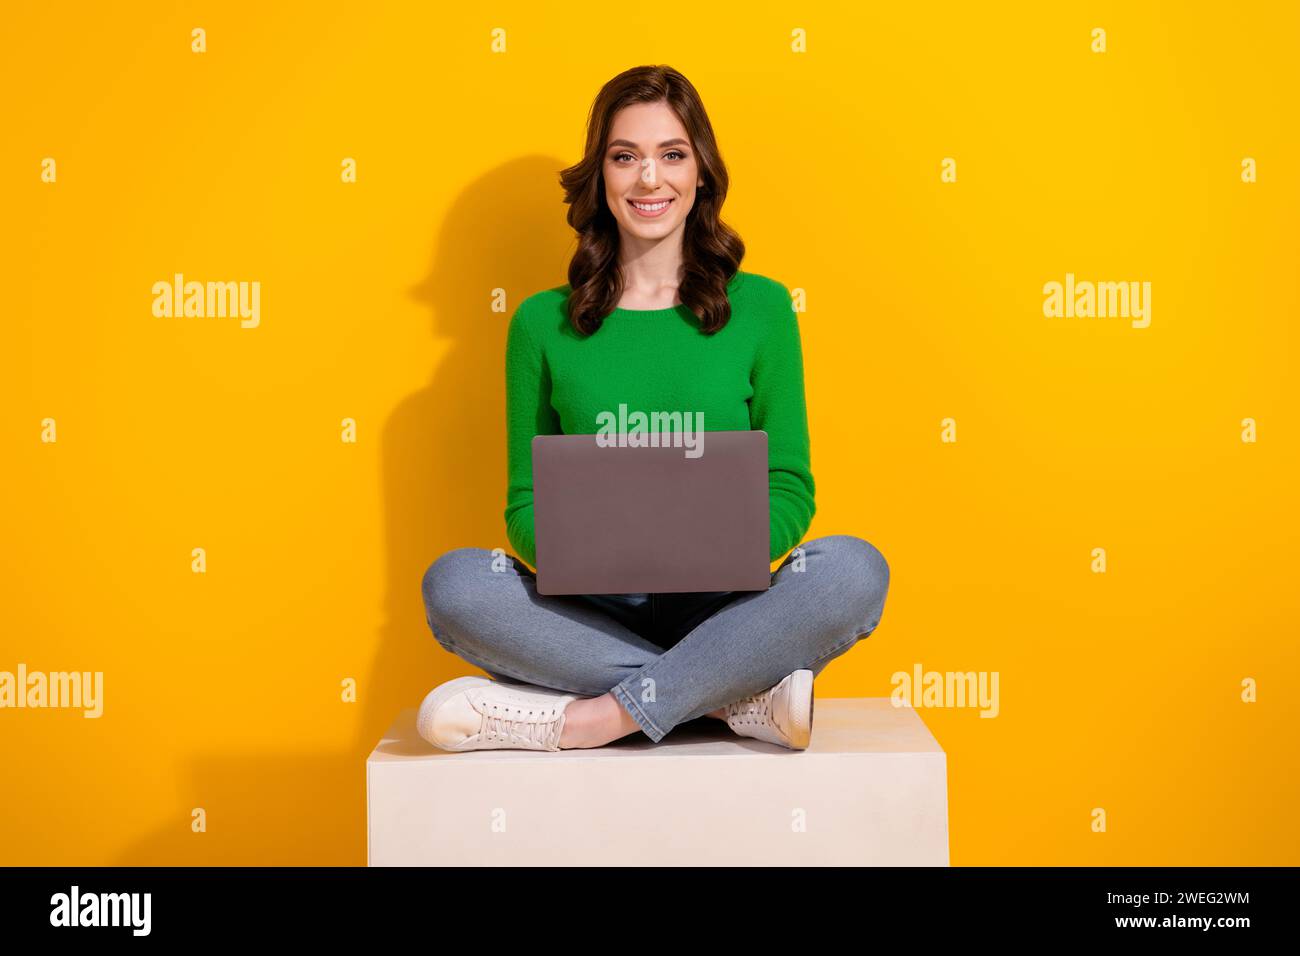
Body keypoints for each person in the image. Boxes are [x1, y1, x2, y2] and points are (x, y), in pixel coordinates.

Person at [417, 65, 890, 753]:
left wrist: (711, 554)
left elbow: (789, 485)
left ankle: (603, 716)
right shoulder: (540, 324)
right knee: (457, 585)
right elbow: (524, 506)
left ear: (700, 172)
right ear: (600, 176)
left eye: (672, 155)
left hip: (729, 606)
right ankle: (726, 697)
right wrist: (598, 558)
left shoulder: (761, 308)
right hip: (592, 613)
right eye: (625, 156)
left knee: (853, 571)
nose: (649, 180)